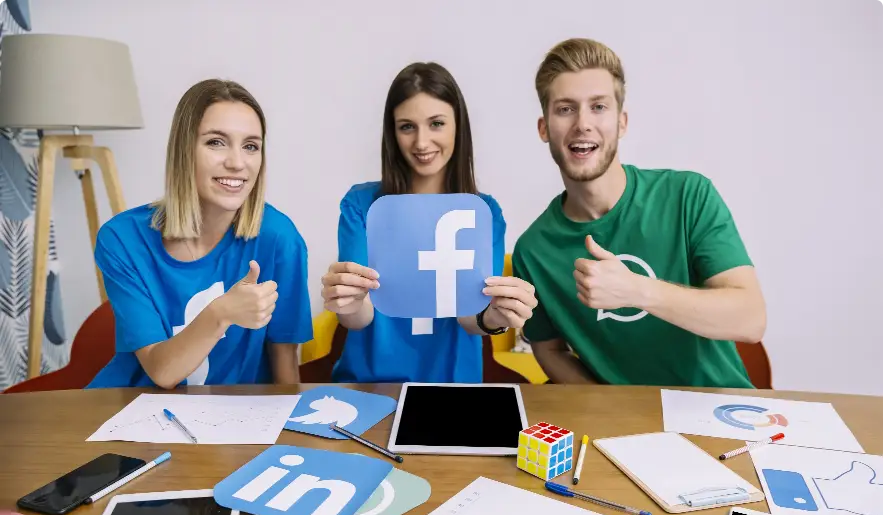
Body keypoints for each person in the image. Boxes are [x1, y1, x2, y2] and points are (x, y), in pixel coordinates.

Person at [512, 38, 766, 388]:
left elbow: (751, 319)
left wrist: (637, 291)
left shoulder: (688, 196)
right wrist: (610, 410)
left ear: (622, 123)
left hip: (721, 411)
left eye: (598, 107)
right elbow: (549, 350)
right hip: (621, 423)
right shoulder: (533, 251)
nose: (583, 123)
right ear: (544, 128)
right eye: (566, 109)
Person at [321, 62, 538, 383]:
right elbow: (358, 317)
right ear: (392, 133)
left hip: (451, 387)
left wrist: (495, 316)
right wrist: (346, 301)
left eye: (436, 124)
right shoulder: (361, 205)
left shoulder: (484, 212)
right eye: (407, 127)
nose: (421, 143)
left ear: (458, 127)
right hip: (370, 385)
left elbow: (470, 317)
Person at [87, 79, 312, 389]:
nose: (237, 163)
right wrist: (221, 312)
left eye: (251, 146)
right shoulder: (122, 240)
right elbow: (162, 372)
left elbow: (285, 362)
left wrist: (292, 419)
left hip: (232, 414)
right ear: (184, 150)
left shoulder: (279, 238)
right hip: (131, 407)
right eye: (216, 142)